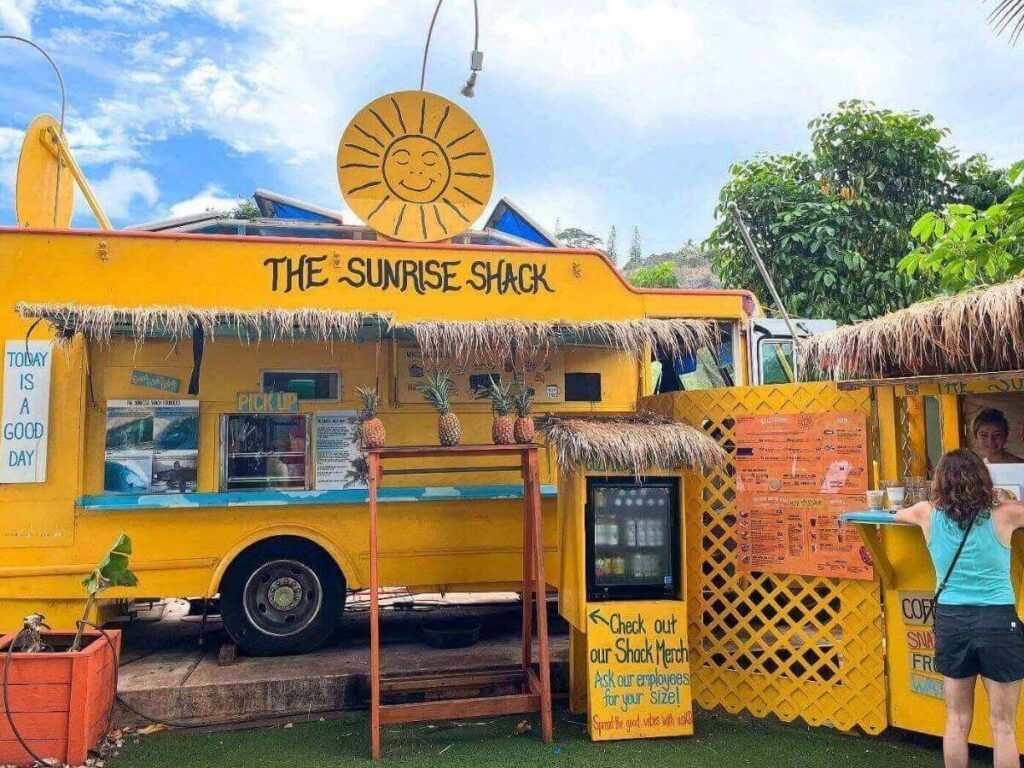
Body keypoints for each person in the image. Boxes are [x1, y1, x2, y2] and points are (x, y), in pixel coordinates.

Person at [896, 449, 1024, 768]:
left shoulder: (926, 512)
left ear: (940, 480)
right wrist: (1000, 496)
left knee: (955, 720)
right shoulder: (1006, 513)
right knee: (1004, 728)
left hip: (952, 620)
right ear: (983, 478)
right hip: (998, 622)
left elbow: (897, 514)